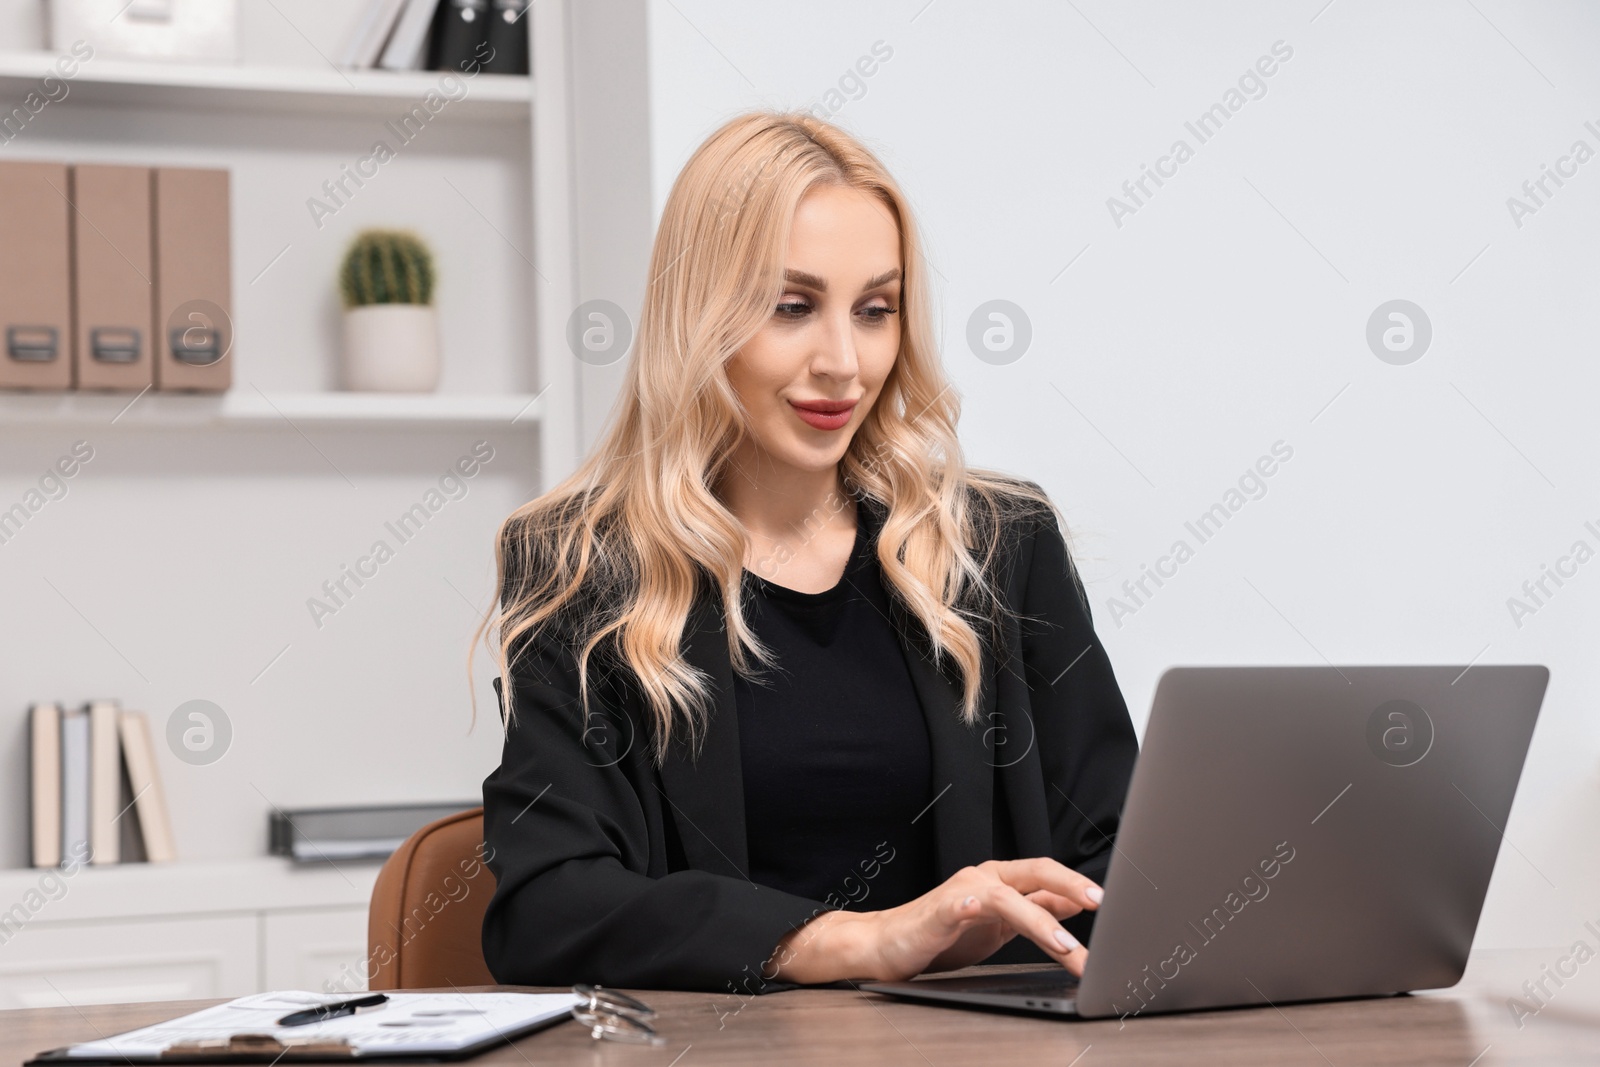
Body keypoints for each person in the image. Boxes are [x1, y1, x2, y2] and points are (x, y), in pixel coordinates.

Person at [474, 110, 1138, 994]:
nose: (843, 363)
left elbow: (1123, 860)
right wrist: (858, 941)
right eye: (791, 307)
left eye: (875, 310)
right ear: (698, 316)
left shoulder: (1001, 543)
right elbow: (549, 907)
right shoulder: (584, 566)